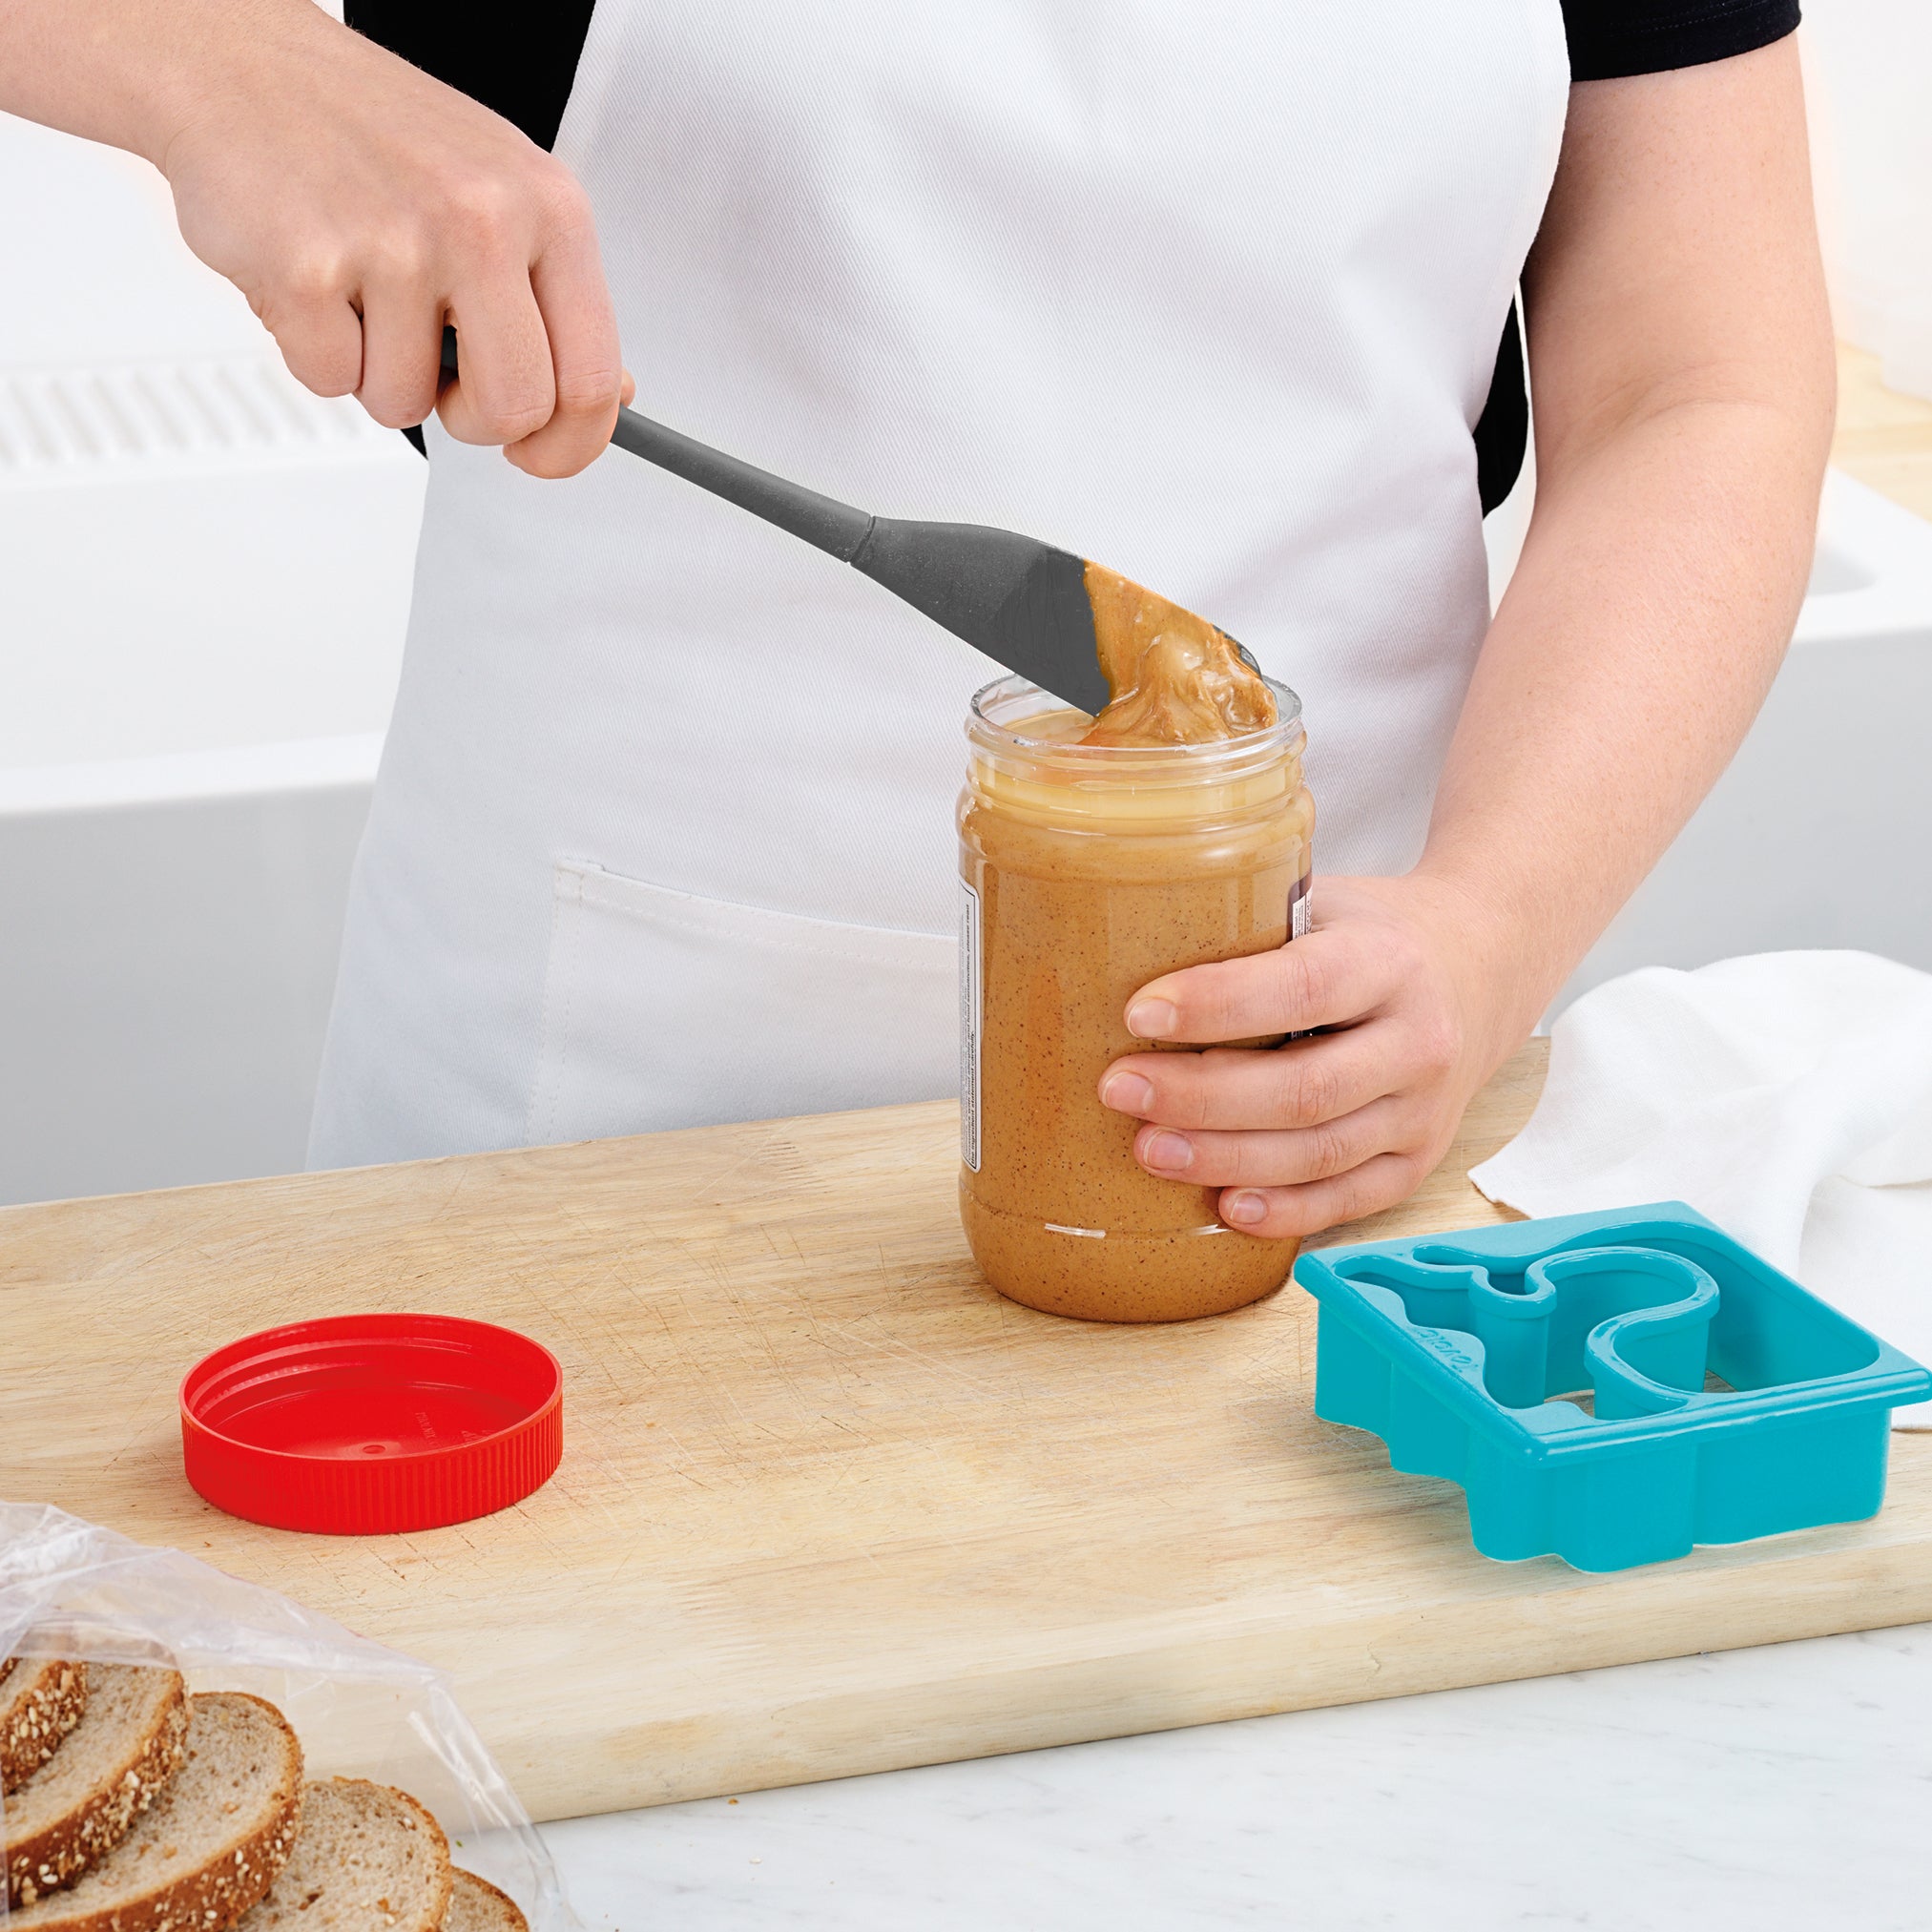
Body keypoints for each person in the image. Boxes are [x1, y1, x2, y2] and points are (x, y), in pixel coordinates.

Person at [5, 1, 1832, 1242]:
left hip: (1331, 1091)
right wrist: (217, 62)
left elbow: (1700, 384)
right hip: (603, 1122)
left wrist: (1484, 929)